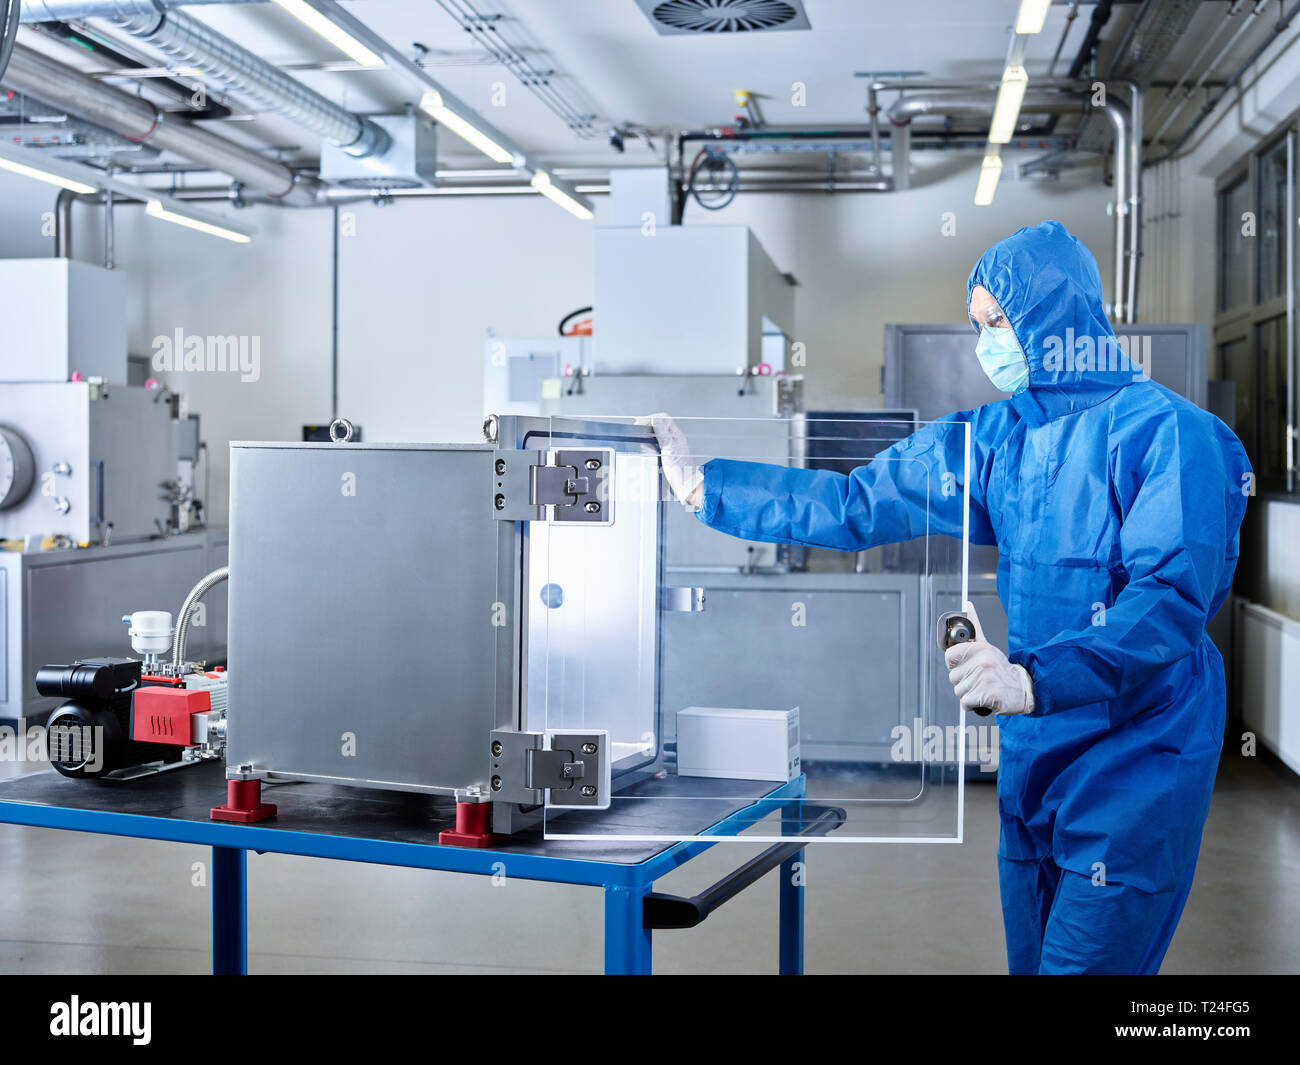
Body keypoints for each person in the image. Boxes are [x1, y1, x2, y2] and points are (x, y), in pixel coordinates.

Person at [643, 220, 1250, 975]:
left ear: (1057, 319)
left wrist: (1033, 679)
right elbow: (855, 503)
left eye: (1000, 322)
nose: (986, 342)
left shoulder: (1173, 436)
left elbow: (1166, 600)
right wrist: (707, 489)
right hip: (1036, 748)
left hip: (1138, 752)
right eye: (979, 325)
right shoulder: (994, 440)